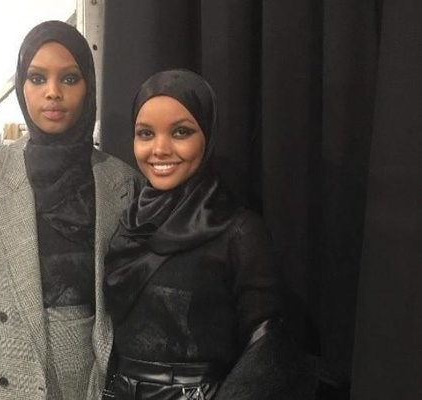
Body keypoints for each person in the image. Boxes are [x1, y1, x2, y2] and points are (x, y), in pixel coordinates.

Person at [0, 20, 141, 400]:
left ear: (89, 86)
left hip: (89, 380)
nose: (53, 92)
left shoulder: (121, 181)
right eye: (37, 78)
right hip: (1, 377)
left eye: (70, 78)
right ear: (21, 86)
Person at [104, 70, 315, 400]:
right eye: (146, 133)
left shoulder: (238, 232)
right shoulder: (126, 224)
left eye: (181, 132)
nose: (160, 148)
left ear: (208, 135)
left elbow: (267, 345)